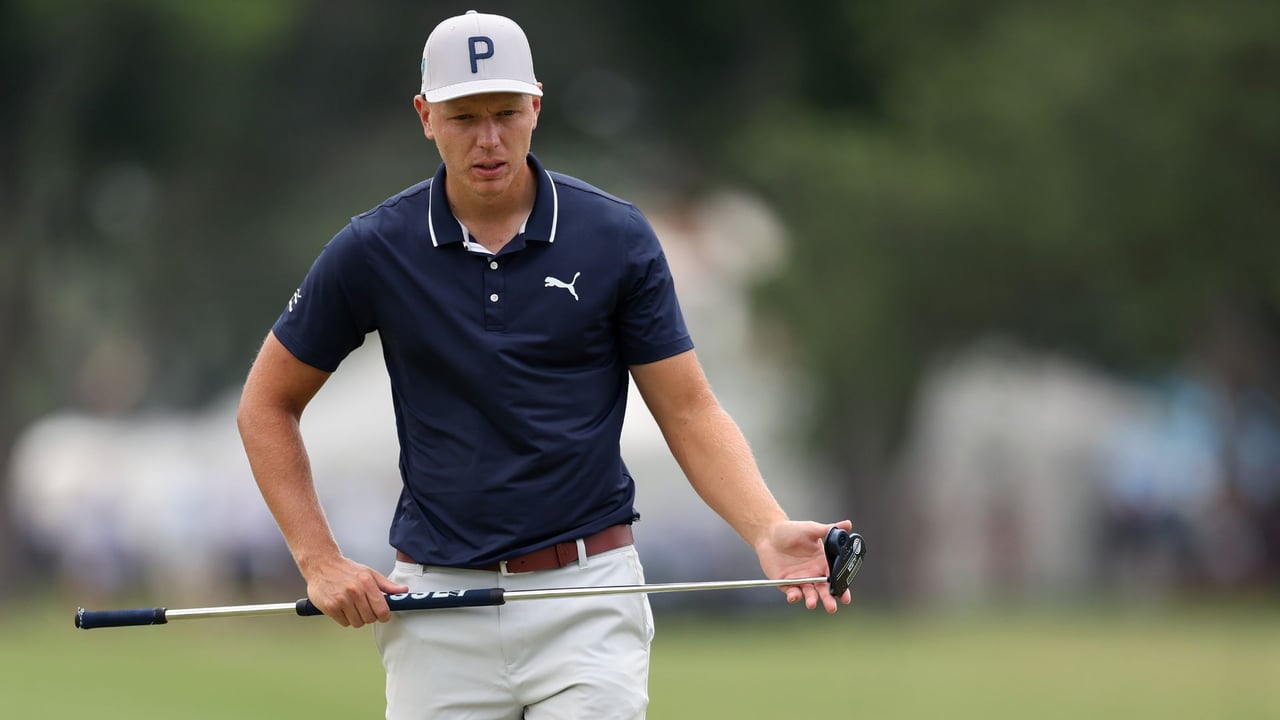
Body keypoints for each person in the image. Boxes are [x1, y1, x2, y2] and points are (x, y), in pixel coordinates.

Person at [237, 9, 853, 719]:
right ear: (425, 116)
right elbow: (266, 404)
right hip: (438, 609)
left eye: (505, 112)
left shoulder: (614, 238)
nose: (489, 138)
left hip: (588, 601)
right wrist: (318, 559)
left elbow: (687, 408)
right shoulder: (374, 249)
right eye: (464, 117)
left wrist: (766, 527)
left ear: (536, 104)